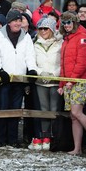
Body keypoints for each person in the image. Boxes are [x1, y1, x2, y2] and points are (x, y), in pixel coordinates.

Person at [0, 10, 38, 148]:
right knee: (3, 108)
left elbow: (30, 55)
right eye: (15, 21)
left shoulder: (26, 36)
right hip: (4, 78)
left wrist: (32, 69)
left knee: (16, 109)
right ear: (9, 22)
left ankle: (12, 139)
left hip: (19, 78)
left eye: (19, 21)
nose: (17, 23)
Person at [57, 11, 86, 155]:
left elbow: (82, 63)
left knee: (77, 112)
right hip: (69, 83)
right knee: (73, 116)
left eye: (69, 22)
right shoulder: (67, 39)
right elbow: (63, 64)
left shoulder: (83, 38)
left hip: (79, 82)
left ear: (75, 22)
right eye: (64, 23)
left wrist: (71, 81)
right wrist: (62, 84)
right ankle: (77, 148)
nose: (66, 25)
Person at [31, 18, 63, 150]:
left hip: (55, 81)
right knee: (43, 109)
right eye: (40, 28)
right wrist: (40, 73)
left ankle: (54, 136)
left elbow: (62, 62)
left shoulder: (60, 43)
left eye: (46, 28)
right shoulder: (35, 43)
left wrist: (54, 74)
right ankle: (45, 136)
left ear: (51, 29)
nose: (43, 31)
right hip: (41, 81)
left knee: (54, 109)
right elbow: (32, 62)